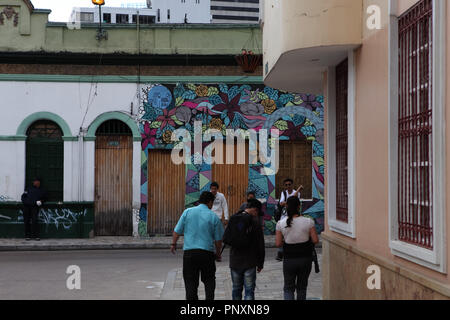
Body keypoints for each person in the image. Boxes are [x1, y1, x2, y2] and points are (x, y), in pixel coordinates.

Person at [171, 191, 224, 301]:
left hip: (190, 254)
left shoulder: (187, 212)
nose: (212, 206)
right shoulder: (213, 217)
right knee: (209, 281)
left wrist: (173, 244)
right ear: (209, 202)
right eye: (212, 203)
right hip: (207, 254)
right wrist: (218, 254)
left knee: (190, 282)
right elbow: (218, 240)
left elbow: (177, 231)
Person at [276, 196, 319, 300]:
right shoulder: (309, 221)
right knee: (302, 288)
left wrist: (286, 239)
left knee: (288, 288)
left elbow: (278, 243)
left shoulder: (280, 223)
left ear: (287, 207)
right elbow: (315, 240)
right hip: (305, 259)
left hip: (289, 260)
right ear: (299, 207)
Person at [226, 199, 265, 300]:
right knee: (249, 291)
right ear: (255, 210)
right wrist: (260, 263)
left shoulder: (234, 218)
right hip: (250, 262)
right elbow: (260, 245)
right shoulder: (255, 223)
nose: (257, 215)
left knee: (236, 289)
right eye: (257, 213)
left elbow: (227, 238)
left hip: (235, 261)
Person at [276, 178, 303, 261]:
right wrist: (290, 201)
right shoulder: (284, 193)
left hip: (293, 217)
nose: (288, 186)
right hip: (283, 218)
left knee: (292, 235)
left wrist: (286, 202)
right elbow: (282, 203)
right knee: (283, 236)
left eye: (289, 184)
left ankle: (290, 253)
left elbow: (293, 201)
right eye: (286, 185)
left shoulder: (297, 193)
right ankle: (280, 253)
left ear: (292, 185)